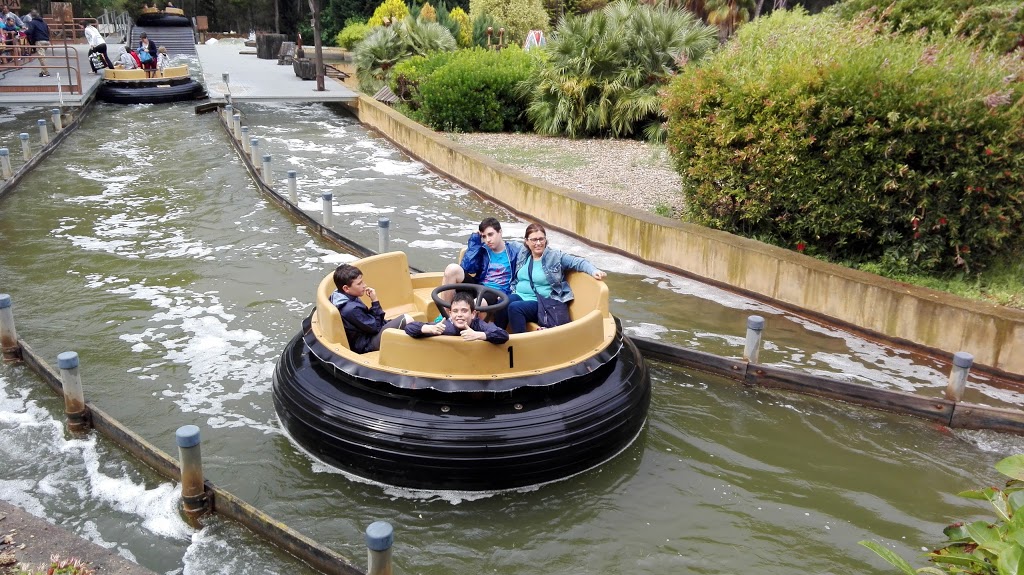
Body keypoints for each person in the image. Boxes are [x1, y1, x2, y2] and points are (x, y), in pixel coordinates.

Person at [506, 223, 607, 334]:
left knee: (515, 308)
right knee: (503, 303)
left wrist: (594, 271)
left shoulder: (555, 256)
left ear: (545, 240)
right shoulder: (523, 254)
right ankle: (497, 336)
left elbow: (578, 262)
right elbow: (504, 245)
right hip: (520, 295)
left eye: (541, 239)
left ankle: (521, 344)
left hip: (543, 303)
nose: (538, 243)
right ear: (527, 241)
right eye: (534, 240)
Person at [442, 217, 523, 327]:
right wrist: (475, 240)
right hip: (479, 286)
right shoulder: (483, 249)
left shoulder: (515, 250)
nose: (487, 240)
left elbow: (524, 271)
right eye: (484, 236)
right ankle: (446, 316)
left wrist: (511, 292)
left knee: (476, 303)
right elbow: (467, 267)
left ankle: (469, 328)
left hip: (497, 292)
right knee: (452, 269)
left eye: (490, 234)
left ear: (500, 232)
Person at [331, 264, 410, 354]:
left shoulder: (340, 297)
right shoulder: (351, 309)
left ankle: (427, 328)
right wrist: (375, 301)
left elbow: (370, 323)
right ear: (346, 288)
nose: (364, 285)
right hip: (366, 344)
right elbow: (376, 327)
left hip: (367, 333)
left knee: (411, 325)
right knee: (406, 319)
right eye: (359, 283)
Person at [404, 291, 509, 344]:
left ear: (473, 314)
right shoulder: (445, 326)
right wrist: (428, 328)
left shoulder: (478, 325)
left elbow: (503, 335)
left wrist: (478, 335)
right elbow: (409, 328)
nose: (459, 315)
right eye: (455, 311)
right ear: (450, 314)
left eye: (464, 311)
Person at [24, 10, 49, 76]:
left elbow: (30, 31)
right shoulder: (44, 22)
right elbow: (47, 30)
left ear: (31, 16)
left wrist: (23, 32)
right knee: (42, 56)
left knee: (41, 57)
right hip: (46, 40)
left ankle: (46, 72)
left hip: (39, 40)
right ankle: (43, 71)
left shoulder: (32, 22)